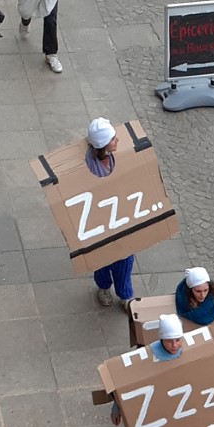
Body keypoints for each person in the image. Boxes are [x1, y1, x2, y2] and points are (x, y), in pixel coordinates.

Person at [84, 118, 135, 307]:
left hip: (121, 216)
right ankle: (103, 286)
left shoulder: (116, 157)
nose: (118, 140)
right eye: (113, 138)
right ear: (104, 143)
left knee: (124, 257)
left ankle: (125, 293)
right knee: (102, 256)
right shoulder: (89, 166)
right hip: (99, 220)